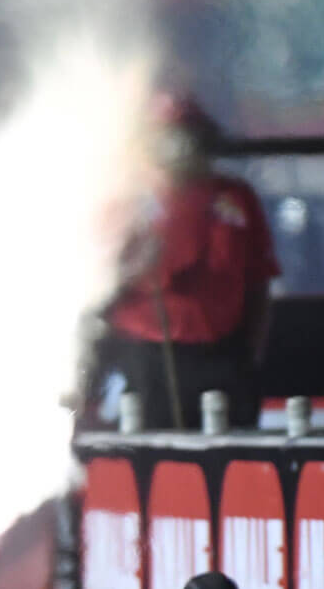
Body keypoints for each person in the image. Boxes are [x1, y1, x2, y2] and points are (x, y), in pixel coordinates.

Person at [91, 92, 279, 430]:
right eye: (166, 135)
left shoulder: (235, 199)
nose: (177, 146)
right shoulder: (122, 200)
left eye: (186, 134)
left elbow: (259, 284)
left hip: (222, 360)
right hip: (146, 362)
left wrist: (248, 358)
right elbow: (94, 283)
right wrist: (132, 265)